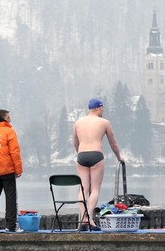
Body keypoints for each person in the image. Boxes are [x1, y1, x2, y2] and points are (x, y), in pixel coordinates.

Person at [73, 98, 124, 231]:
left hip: (81, 155)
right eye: (102, 108)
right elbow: (113, 143)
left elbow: (75, 143)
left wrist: (80, 153)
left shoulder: (78, 122)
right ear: (97, 108)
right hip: (96, 155)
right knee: (95, 189)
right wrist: (119, 157)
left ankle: (82, 219)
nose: (103, 111)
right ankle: (89, 218)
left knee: (83, 189)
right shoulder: (104, 122)